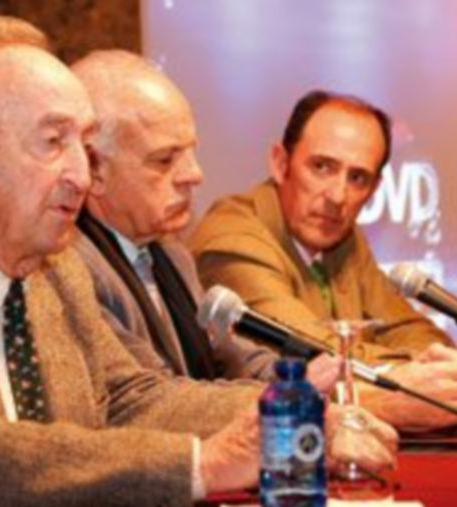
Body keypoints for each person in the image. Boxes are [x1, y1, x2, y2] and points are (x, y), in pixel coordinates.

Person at [0, 20, 396, 506]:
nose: (81, 175)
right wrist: (200, 464)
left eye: (84, 145)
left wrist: (287, 414)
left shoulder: (54, 271)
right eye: (53, 143)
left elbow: (131, 398)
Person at [189, 89, 457, 431]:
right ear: (281, 163)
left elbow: (405, 326)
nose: (338, 196)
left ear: (374, 189)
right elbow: (312, 353)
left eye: (357, 178)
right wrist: (421, 371)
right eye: (322, 167)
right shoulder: (232, 237)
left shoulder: (341, 237)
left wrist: (451, 367)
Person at [70, 50, 339, 390]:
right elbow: (150, 397)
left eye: (191, 151)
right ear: (94, 169)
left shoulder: (171, 254)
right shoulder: (73, 268)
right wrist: (284, 395)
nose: (195, 174)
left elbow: (234, 355)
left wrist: (302, 376)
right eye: (165, 160)